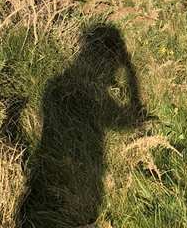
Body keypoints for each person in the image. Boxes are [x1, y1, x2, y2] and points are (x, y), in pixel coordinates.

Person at [18, 23, 144, 227]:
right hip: (83, 191)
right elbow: (131, 122)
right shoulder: (96, 96)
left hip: (54, 184)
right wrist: (130, 72)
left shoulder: (55, 85)